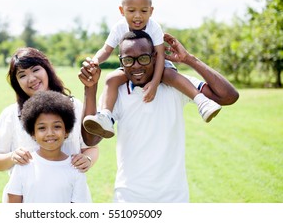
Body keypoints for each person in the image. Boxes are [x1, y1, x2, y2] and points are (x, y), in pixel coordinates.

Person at [79, 31, 239, 202]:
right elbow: (90, 139)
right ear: (121, 61)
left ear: (156, 57)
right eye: (128, 60)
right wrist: (91, 88)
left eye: (144, 58)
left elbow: (228, 96)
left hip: (174, 198)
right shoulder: (117, 91)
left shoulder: (177, 84)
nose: (136, 66)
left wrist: (189, 59)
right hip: (128, 198)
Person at [83, 0, 222, 138]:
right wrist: (95, 60)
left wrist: (155, 84)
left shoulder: (154, 27)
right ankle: (106, 117)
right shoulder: (119, 28)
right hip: (133, 65)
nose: (137, 16)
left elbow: (160, 56)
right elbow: (106, 50)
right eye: (131, 11)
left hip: (157, 64)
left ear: (151, 11)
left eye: (143, 11)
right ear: (122, 11)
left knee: (169, 74)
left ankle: (202, 102)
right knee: (111, 79)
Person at [0, 47, 98, 202]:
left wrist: (87, 160)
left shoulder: (75, 106)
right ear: (17, 83)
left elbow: (91, 147)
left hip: (68, 195)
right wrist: (12, 157)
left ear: (47, 70)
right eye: (22, 75)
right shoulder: (11, 114)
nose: (31, 78)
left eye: (35, 70)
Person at [5, 90, 92, 203]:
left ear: (66, 131)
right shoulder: (23, 166)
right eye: (42, 128)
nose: (50, 133)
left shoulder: (75, 168)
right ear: (33, 133)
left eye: (57, 126)